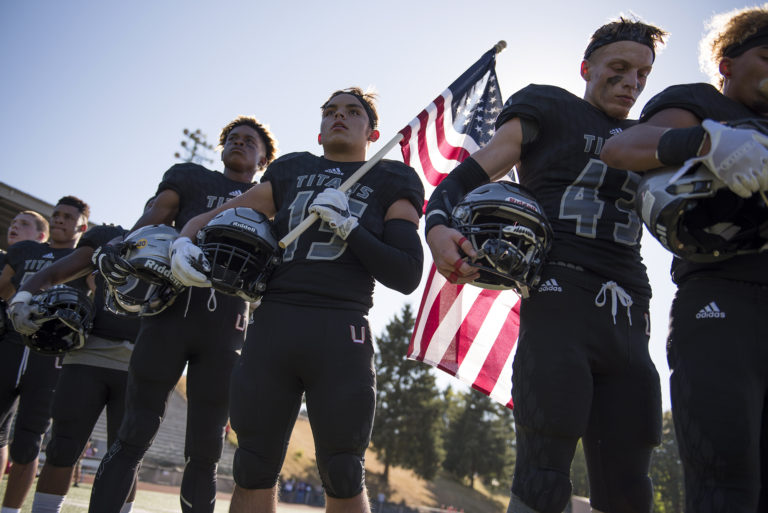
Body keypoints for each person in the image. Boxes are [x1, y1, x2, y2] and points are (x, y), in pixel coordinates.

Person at [424, 19, 666, 513]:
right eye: (618, 68)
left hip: (632, 311)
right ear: (586, 67)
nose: (631, 83)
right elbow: (477, 168)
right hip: (561, 299)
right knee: (543, 475)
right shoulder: (553, 108)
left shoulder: (653, 133)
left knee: (629, 488)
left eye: (643, 74)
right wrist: (436, 225)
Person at [171, 87, 424, 513]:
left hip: (341, 327)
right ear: (319, 130)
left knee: (344, 470)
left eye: (351, 111)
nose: (338, 116)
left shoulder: (391, 178)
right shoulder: (292, 169)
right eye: (330, 112)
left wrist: (350, 226)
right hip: (274, 324)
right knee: (252, 465)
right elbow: (223, 213)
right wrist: (184, 238)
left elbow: (406, 273)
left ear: (372, 130)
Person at [600, 6, 768, 511]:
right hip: (723, 302)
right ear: (727, 63)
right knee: (726, 483)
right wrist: (708, 140)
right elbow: (624, 147)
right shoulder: (697, 103)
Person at [87, 116, 278, 513]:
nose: (240, 143)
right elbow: (157, 214)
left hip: (227, 330)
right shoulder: (192, 178)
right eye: (233, 139)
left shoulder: (273, 197)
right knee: (134, 432)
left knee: (206, 449)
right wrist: (123, 243)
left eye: (250, 141)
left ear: (264, 158)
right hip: (169, 316)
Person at [8, 218, 145, 513]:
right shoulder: (108, 237)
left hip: (143, 361)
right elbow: (56, 271)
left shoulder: (182, 240)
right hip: (89, 353)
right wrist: (23, 296)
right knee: (63, 446)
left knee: (127, 457)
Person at [0, 197, 90, 513]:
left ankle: (9, 510)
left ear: (83, 225)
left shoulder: (83, 258)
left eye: (68, 216)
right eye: (56, 215)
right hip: (10, 345)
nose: (60, 220)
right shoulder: (25, 251)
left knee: (28, 441)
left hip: (51, 353)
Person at [0, 211, 50, 493]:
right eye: (13, 223)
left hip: (36, 351)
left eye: (24, 224)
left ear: (41, 236)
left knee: (26, 438)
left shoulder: (53, 259)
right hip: (7, 344)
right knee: (1, 435)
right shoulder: (8, 259)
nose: (14, 227)